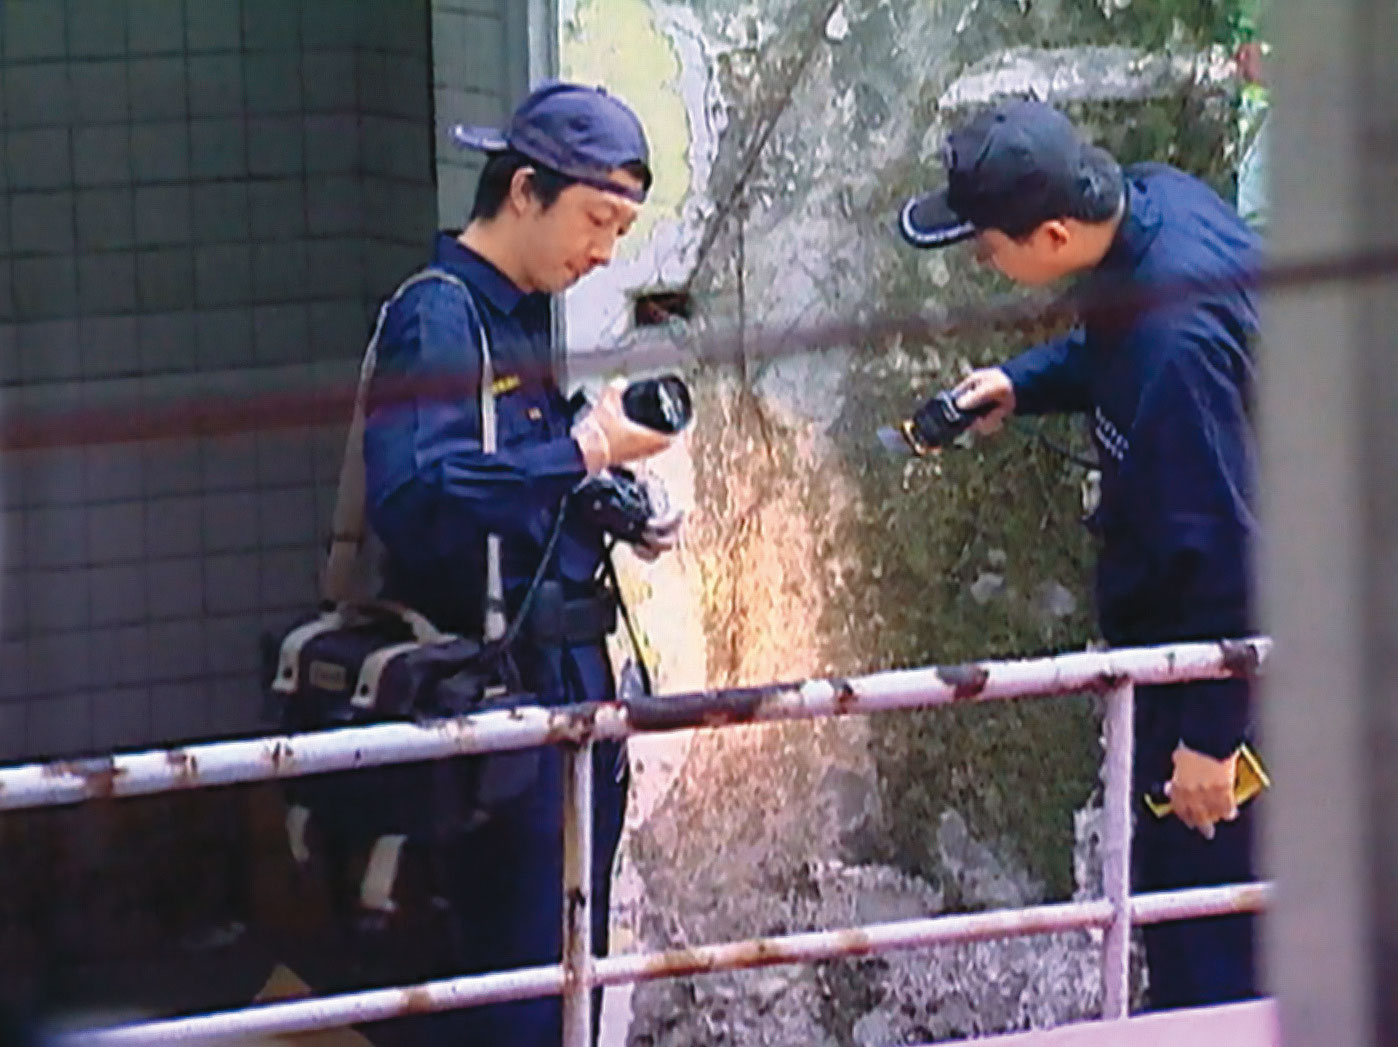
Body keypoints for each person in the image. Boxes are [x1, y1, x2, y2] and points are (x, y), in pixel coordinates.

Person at [897, 99, 1261, 1010]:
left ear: (1054, 231)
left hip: (1226, 670)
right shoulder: (1156, 205)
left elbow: (1228, 557)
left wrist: (1211, 742)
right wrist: (1022, 381)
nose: (987, 262)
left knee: (1209, 931)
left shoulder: (1176, 350)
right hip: (1213, 632)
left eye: (989, 246)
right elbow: (1109, 338)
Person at [362, 81, 681, 1044]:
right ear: (525, 190)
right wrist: (583, 452)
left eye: (622, 229)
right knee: (512, 983)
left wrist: (615, 501)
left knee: (566, 973)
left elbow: (519, 483)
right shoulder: (440, 313)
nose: (604, 251)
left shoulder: (520, 319)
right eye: (595, 220)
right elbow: (416, 497)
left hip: (569, 688)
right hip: (497, 702)